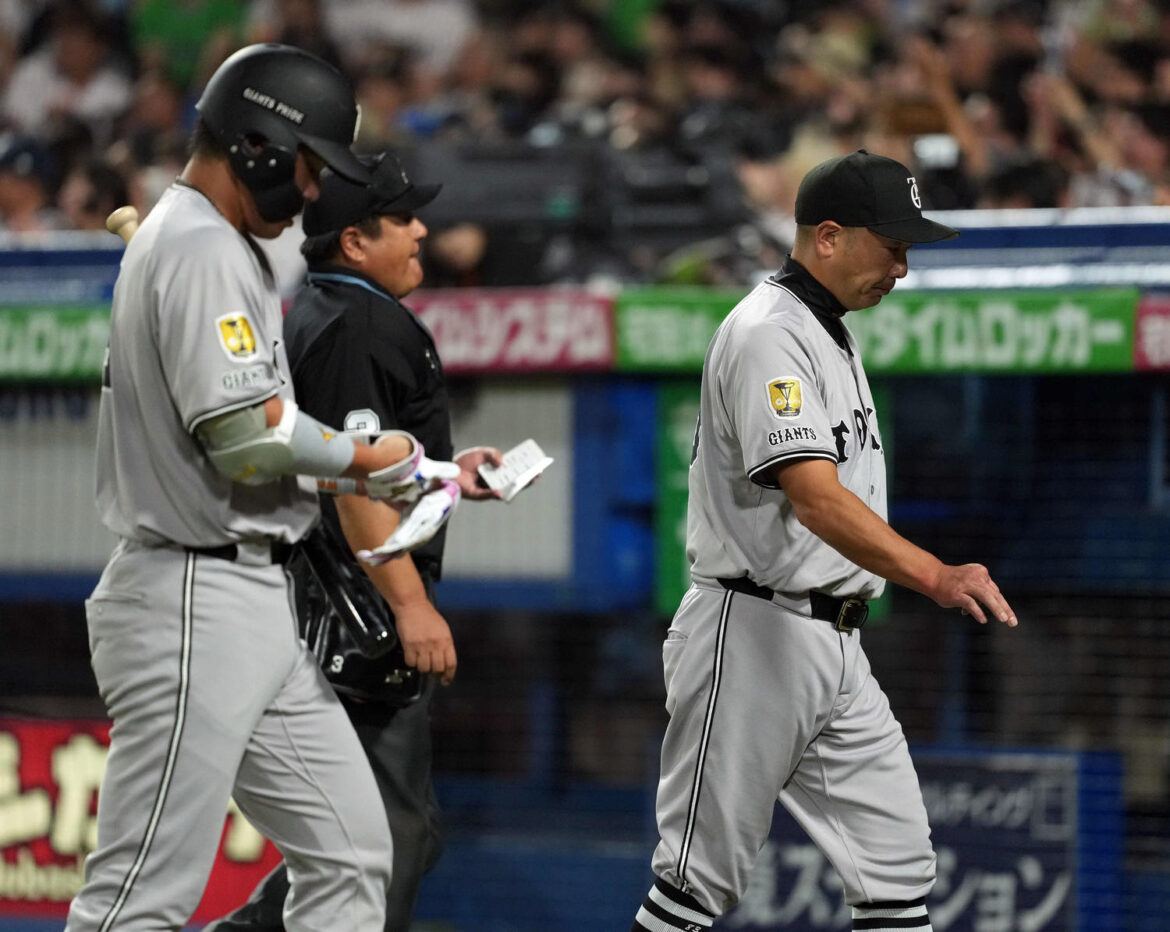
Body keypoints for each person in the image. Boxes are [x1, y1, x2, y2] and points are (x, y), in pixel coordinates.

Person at [67, 44, 461, 932]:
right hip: (191, 590)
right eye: (310, 165)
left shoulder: (208, 242)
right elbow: (248, 442)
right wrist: (371, 456)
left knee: (356, 856)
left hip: (249, 594)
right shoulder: (202, 246)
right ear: (256, 146)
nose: (316, 190)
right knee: (137, 899)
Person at [631, 149, 1018, 932]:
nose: (903, 268)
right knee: (695, 887)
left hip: (834, 640)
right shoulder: (770, 333)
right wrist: (935, 576)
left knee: (898, 868)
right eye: (894, 246)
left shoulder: (823, 328)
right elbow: (814, 500)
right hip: (752, 630)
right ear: (830, 237)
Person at [207, 152, 502, 932]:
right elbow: (348, 484)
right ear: (353, 241)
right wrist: (409, 604)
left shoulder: (331, 309)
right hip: (354, 616)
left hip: (333, 601)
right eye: (402, 218)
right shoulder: (357, 326)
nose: (421, 230)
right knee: (386, 846)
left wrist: (445, 473)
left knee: (385, 839)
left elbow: (365, 461)